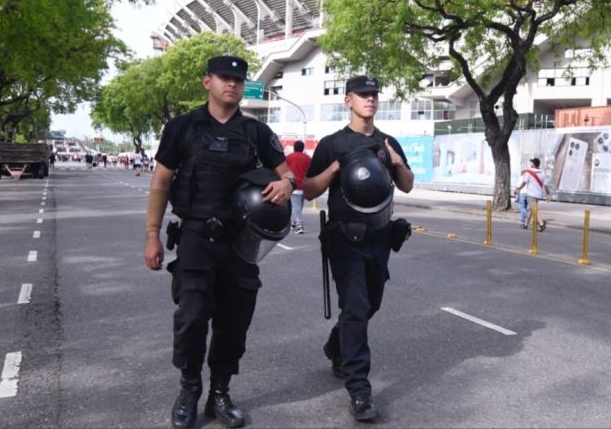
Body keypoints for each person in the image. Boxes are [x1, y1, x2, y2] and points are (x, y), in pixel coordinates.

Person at [143, 56, 296, 429]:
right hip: (195, 236)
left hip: (240, 241)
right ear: (206, 82)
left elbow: (287, 174)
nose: (233, 84)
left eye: (239, 79)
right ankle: (190, 388)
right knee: (192, 317)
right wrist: (152, 234)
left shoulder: (256, 132)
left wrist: (286, 183)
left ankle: (220, 393)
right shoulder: (181, 127)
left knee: (234, 321)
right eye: (225, 78)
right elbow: (161, 183)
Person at [303, 75, 414, 422]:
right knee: (355, 307)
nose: (370, 99)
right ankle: (359, 390)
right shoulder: (332, 143)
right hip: (345, 239)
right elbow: (308, 190)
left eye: (374, 95)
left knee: (371, 304)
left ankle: (337, 344)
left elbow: (408, 186)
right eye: (363, 95)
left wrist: (396, 161)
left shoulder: (387, 142)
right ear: (348, 100)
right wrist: (334, 168)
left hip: (380, 238)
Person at [285, 140, 312, 234]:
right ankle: (294, 223)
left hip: (294, 186)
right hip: (304, 186)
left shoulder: (289, 157)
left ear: (294, 147)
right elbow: (311, 170)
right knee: (298, 207)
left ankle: (299, 225)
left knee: (296, 207)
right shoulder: (308, 158)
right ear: (303, 148)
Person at [516, 158, 548, 231]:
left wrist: (518, 188)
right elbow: (545, 185)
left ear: (533, 164)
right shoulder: (542, 172)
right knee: (532, 209)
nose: (531, 164)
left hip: (531, 194)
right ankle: (525, 224)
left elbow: (524, 183)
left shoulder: (529, 172)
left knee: (534, 209)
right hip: (538, 194)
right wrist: (548, 195)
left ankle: (541, 224)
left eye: (532, 163)